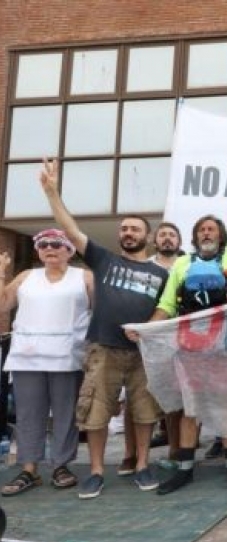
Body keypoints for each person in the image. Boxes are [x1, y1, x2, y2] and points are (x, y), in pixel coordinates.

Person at [39, 158, 168, 499]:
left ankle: (142, 464)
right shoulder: (104, 259)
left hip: (143, 354)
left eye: (135, 229)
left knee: (144, 411)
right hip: (103, 349)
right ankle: (96, 471)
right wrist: (52, 193)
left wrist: (149, 326)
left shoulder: (162, 274)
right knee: (95, 410)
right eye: (124, 228)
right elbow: (70, 231)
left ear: (148, 236)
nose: (127, 233)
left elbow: (164, 308)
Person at [142, 157, 227, 495]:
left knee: (226, 406)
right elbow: (166, 303)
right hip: (189, 348)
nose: (206, 233)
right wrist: (147, 328)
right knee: (189, 409)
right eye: (201, 230)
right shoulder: (182, 263)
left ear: (221, 236)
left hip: (224, 346)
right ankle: (184, 470)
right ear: (195, 238)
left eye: (212, 229)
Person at [0, 230, 94, 496]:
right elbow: (3, 305)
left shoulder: (84, 277)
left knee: (66, 413)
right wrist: (1, 272)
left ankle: (61, 465)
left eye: (56, 244)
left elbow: (100, 310)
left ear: (69, 250)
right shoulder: (26, 276)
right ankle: (29, 469)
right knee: (29, 414)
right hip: (26, 356)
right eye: (42, 244)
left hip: (68, 355)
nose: (49, 248)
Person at [136, 222, 185, 473]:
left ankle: (179, 450)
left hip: (184, 339)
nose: (167, 239)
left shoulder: (188, 264)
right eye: (163, 235)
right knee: (146, 394)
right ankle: (131, 455)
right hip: (153, 337)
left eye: (172, 235)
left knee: (182, 396)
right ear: (155, 241)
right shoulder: (145, 267)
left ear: (180, 241)